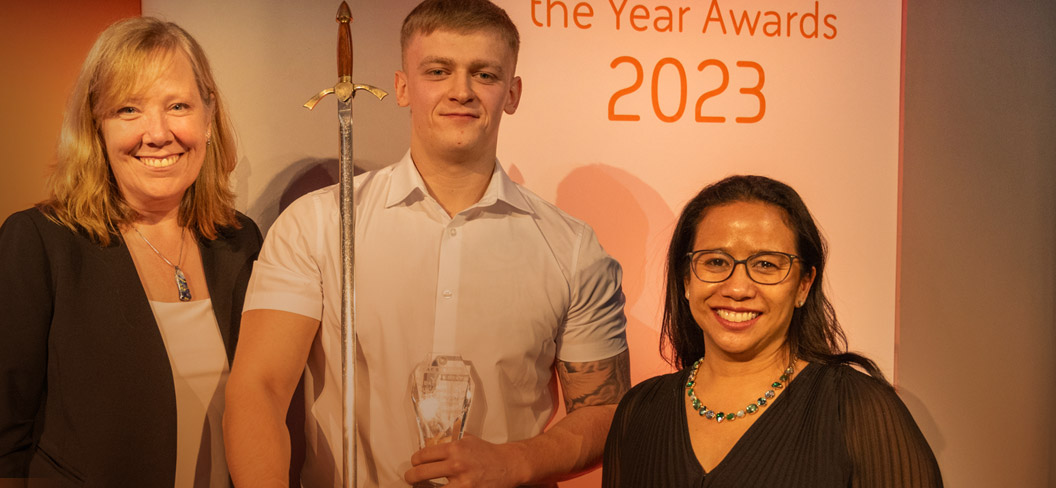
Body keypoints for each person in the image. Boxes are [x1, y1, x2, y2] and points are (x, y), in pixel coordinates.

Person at [224, 0, 630, 486]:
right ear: (401, 87)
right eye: (438, 71)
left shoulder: (573, 249)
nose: (461, 91)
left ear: (513, 92)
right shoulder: (316, 224)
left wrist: (516, 461)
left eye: (484, 75)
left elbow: (607, 413)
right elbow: (259, 390)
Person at [0, 17, 261, 488]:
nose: (156, 134)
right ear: (96, 124)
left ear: (209, 117)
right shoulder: (37, 243)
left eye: (178, 105)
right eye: (128, 110)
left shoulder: (241, 241)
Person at [601, 175, 942, 487]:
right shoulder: (638, 411)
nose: (737, 288)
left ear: (803, 286)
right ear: (687, 279)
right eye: (716, 261)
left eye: (765, 265)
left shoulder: (855, 407)